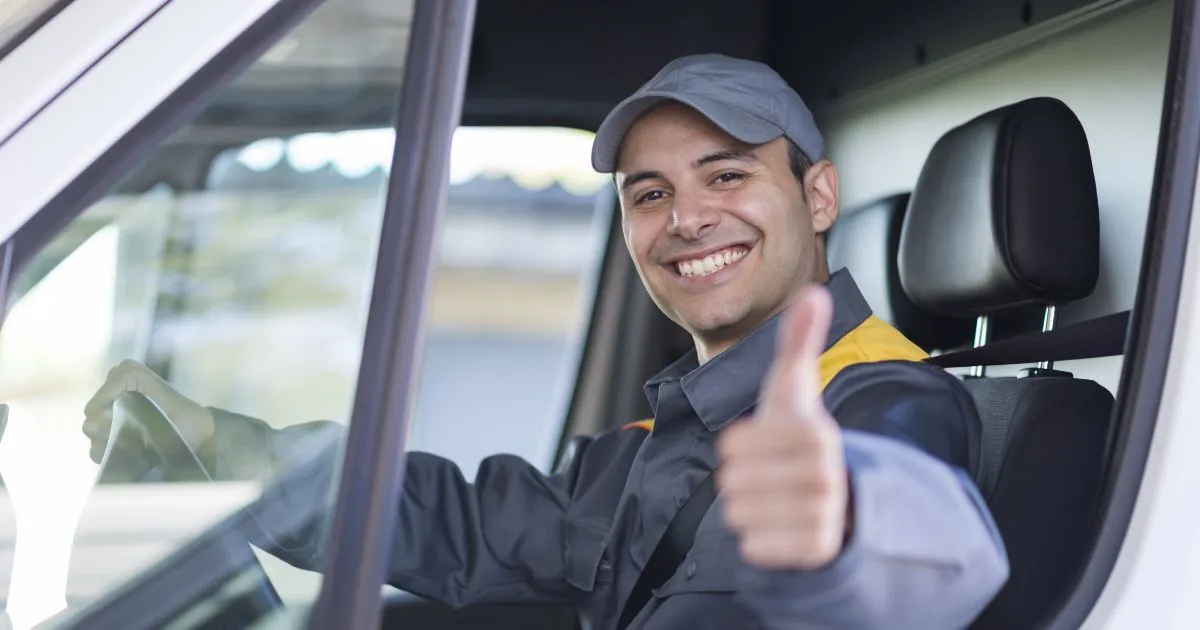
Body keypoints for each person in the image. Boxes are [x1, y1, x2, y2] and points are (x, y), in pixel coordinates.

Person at [82, 53, 1008, 629]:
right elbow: (464, 524)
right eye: (649, 194)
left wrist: (845, 530)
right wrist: (225, 446)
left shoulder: (884, 401)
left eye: (725, 176)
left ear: (818, 198)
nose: (686, 217)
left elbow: (910, 546)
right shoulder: (671, 432)